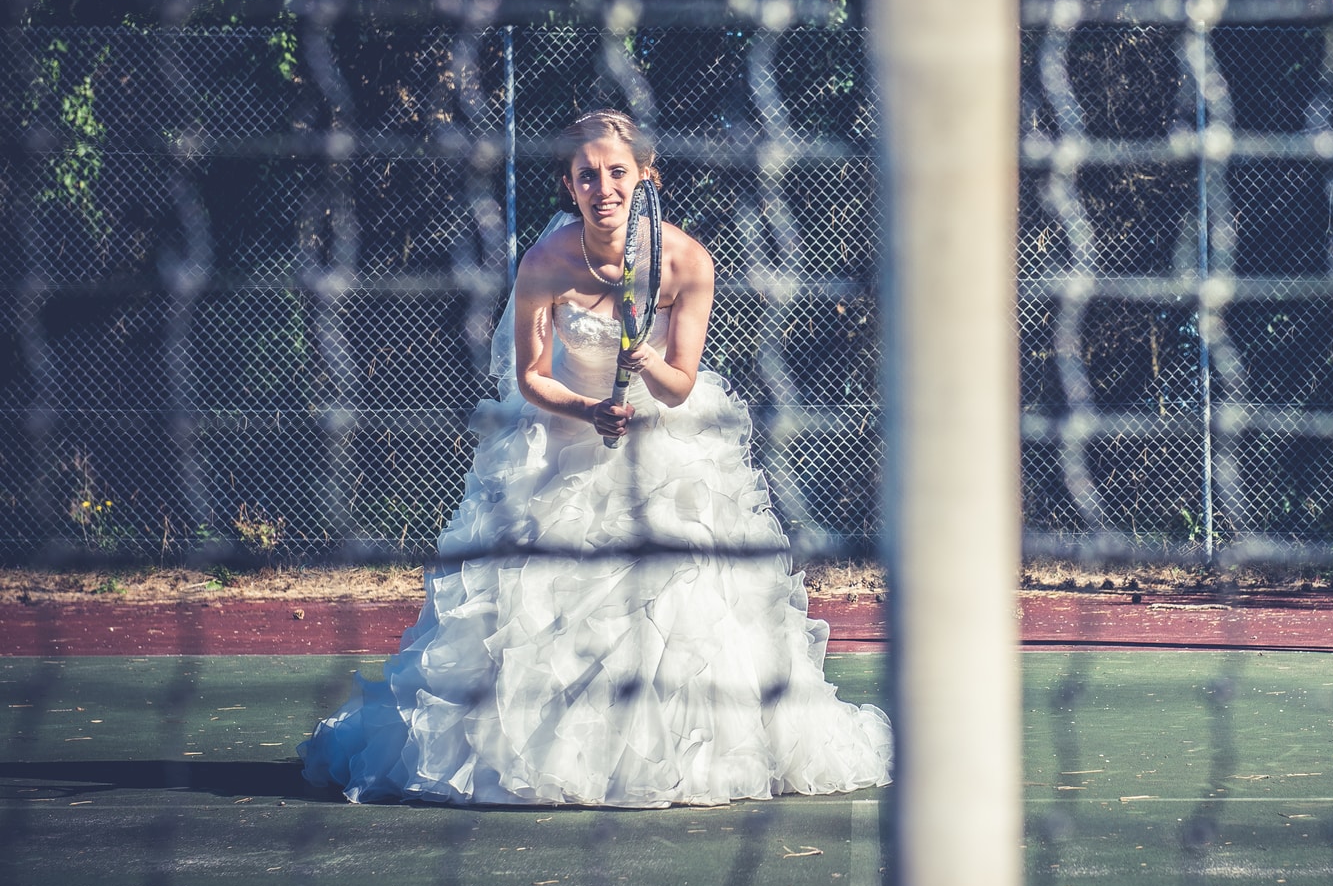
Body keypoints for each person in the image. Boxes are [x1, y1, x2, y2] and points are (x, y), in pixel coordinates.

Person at [301, 110, 892, 805]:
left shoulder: (686, 262)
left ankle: (685, 757)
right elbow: (530, 377)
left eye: (618, 172)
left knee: (683, 600)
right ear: (570, 184)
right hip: (561, 441)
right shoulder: (544, 264)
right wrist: (586, 409)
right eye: (588, 175)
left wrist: (641, 360)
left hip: (667, 448)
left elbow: (677, 384)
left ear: (647, 177)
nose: (603, 187)